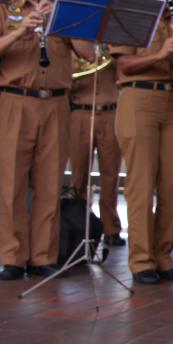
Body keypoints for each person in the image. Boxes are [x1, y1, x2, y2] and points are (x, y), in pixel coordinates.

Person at [0, 0, 95, 280]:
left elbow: (88, 54)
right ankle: (13, 257)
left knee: (50, 183)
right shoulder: (2, 12)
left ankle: (44, 255)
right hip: (16, 101)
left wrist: (63, 21)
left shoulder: (62, 13)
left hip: (57, 104)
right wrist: (20, 31)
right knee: (13, 182)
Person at [110, 0, 173, 285]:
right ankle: (140, 260)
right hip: (138, 97)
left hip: (172, 100)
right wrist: (160, 53)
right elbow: (123, 66)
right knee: (141, 183)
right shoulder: (129, 13)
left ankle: (163, 256)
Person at [68, 49, 124, 247]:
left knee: (110, 174)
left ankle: (111, 228)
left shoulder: (111, 44)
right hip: (80, 112)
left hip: (110, 112)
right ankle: (80, 226)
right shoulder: (75, 44)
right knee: (79, 174)